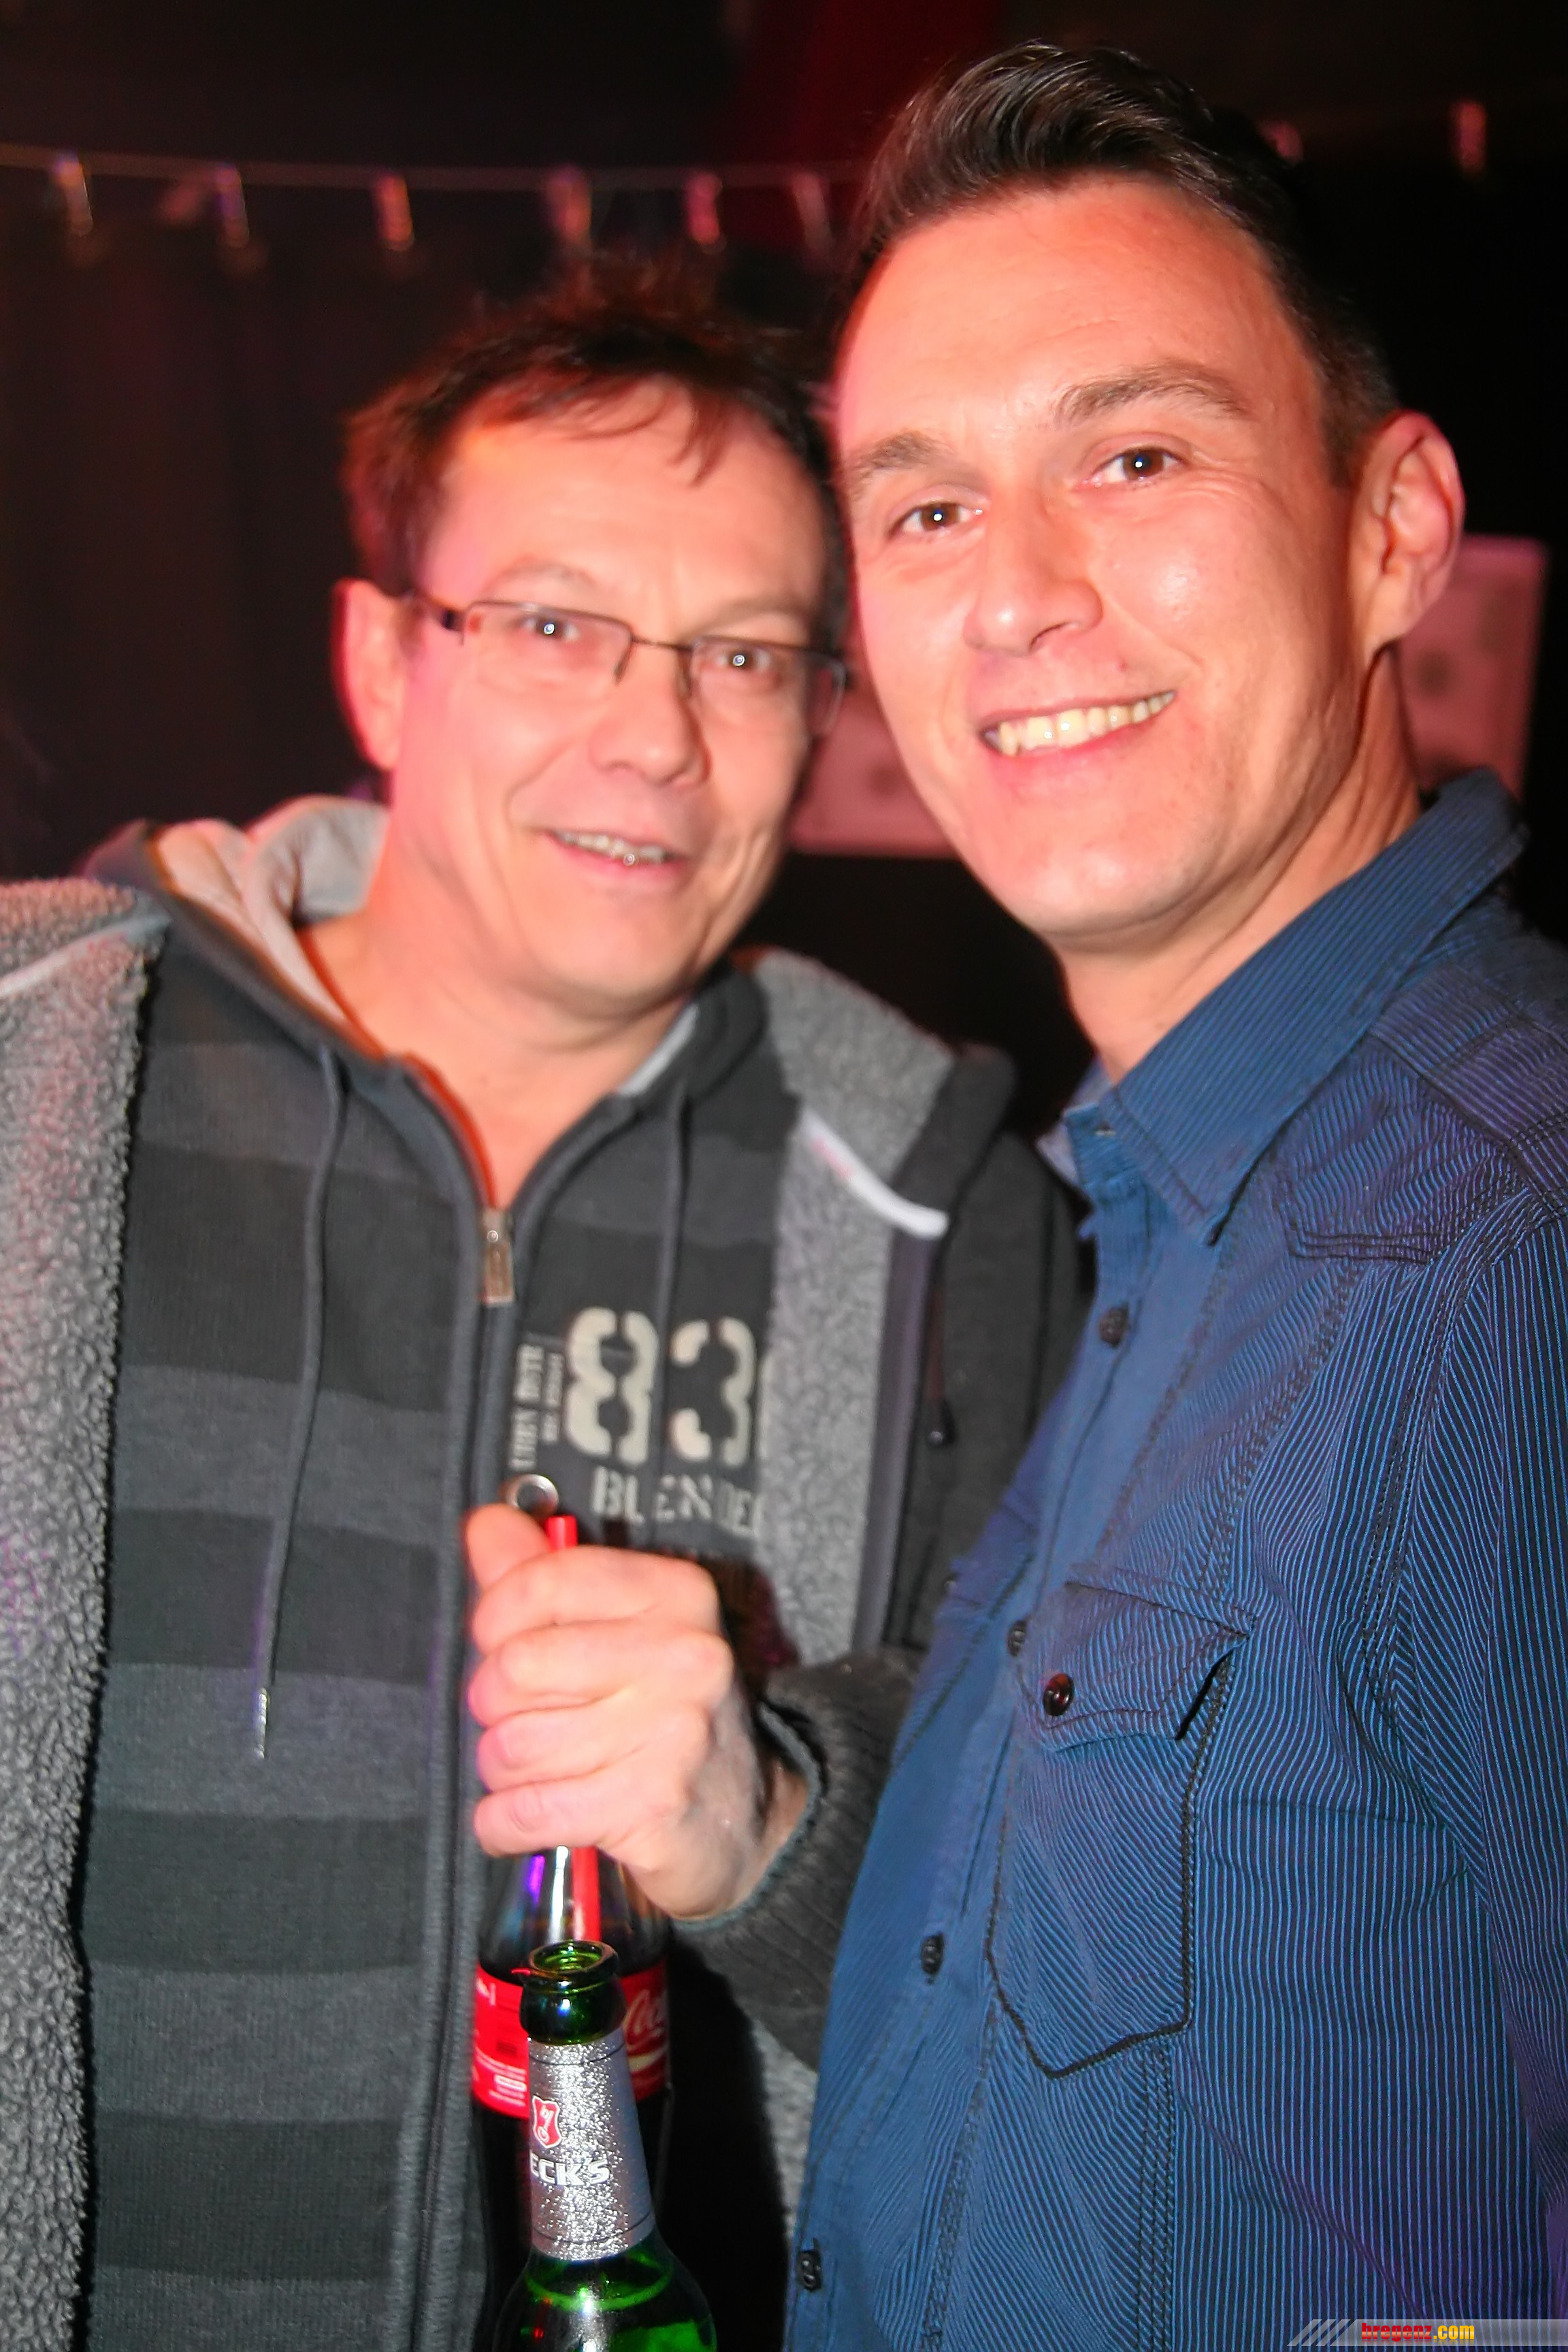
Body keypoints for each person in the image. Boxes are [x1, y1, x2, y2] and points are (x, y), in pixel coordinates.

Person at [0, 263, 1085, 2352]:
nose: (655, 735)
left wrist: (774, 1819)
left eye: (744, 652)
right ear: (381, 665)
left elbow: (1043, 1917)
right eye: (555, 625)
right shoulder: (34, 1080)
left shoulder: (954, 1215)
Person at [762, 42, 1568, 2347]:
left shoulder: (1512, 1245)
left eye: (1133, 457)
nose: (1015, 595)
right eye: (926, 508)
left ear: (1392, 524)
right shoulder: (1156, 1206)